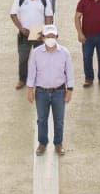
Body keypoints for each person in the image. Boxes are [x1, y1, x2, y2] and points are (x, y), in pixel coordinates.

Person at [26, 25, 74, 155]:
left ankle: (58, 144)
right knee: (42, 119)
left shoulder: (64, 53)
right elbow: (31, 73)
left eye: (53, 36)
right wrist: (30, 90)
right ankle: (42, 143)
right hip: (41, 92)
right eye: (48, 36)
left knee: (59, 120)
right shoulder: (36, 53)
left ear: (57, 37)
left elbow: (69, 73)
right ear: (42, 38)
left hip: (59, 92)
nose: (50, 38)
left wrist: (69, 90)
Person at [10, 0, 54, 89]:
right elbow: (13, 14)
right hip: (24, 33)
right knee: (23, 58)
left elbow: (48, 16)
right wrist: (21, 28)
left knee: (41, 57)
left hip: (39, 33)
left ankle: (40, 79)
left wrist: (46, 32)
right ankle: (22, 80)